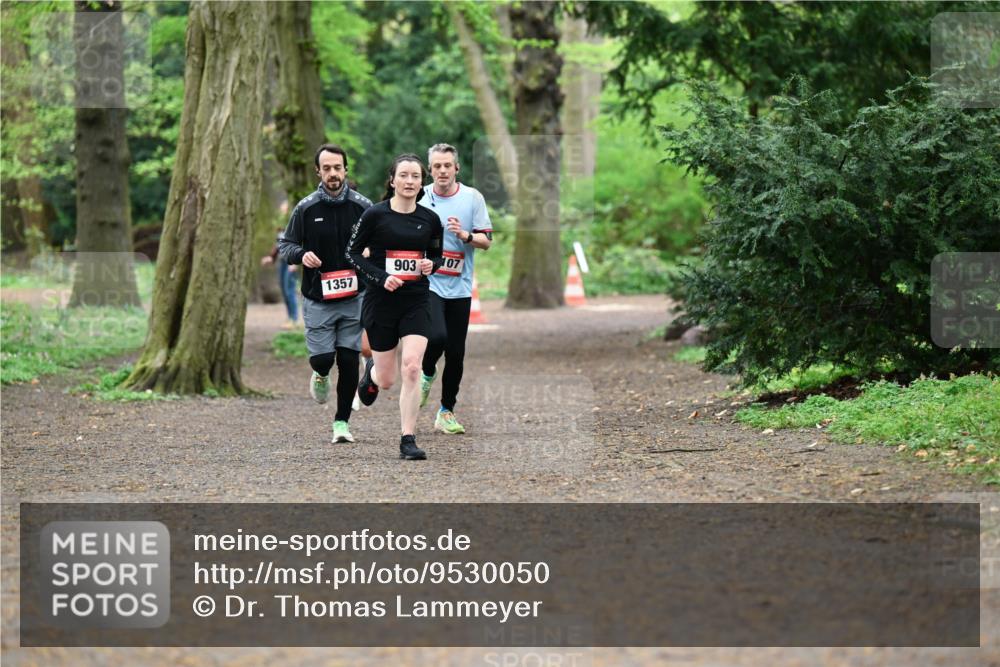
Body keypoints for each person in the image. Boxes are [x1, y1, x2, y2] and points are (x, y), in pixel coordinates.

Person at [348, 154, 444, 460]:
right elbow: (353, 254)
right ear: (392, 180)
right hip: (381, 302)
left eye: (415, 176)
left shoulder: (430, 219)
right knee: (388, 380)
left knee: (413, 367)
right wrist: (381, 277)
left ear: (422, 182)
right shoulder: (375, 215)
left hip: (416, 299)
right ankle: (372, 374)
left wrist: (431, 264)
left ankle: (408, 439)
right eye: (403, 175)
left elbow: (436, 255)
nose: (409, 181)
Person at [279, 144, 372, 444]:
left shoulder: (363, 206)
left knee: (348, 361)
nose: (333, 173)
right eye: (327, 168)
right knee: (322, 359)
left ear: (346, 170)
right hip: (318, 297)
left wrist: (372, 251)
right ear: (318, 171)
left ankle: (341, 422)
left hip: (354, 296)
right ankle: (319, 374)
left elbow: (383, 240)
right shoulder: (306, 208)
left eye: (338, 168)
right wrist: (301, 255)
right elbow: (286, 246)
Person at [417, 143, 493, 434]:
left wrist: (465, 235)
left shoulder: (472, 198)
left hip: (460, 286)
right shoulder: (420, 196)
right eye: (437, 166)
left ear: (456, 168)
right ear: (430, 170)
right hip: (430, 282)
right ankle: (427, 373)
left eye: (447, 165)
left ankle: (446, 411)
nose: (442, 171)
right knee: (436, 336)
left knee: (456, 353)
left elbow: (486, 241)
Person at [261, 214, 299, 329]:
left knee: (289, 290)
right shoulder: (280, 228)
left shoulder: (293, 223)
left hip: (290, 262)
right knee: (284, 290)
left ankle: (294, 319)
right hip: (282, 262)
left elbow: (298, 242)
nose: (282, 209)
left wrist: (295, 262)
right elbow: (279, 245)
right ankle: (290, 317)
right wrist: (271, 258)